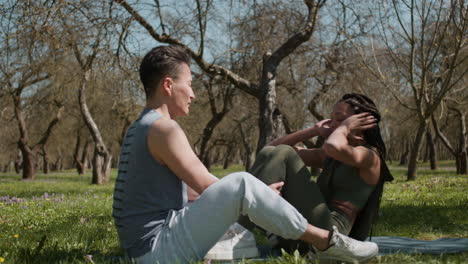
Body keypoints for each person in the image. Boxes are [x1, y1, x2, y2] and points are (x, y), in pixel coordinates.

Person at [112, 45, 379, 264]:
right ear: (168, 85)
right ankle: (327, 242)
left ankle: (253, 233)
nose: (193, 94)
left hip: (143, 248)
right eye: (190, 84)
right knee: (241, 183)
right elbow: (207, 186)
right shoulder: (164, 129)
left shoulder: (142, 126)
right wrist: (253, 199)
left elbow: (192, 191)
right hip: (157, 250)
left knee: (242, 187)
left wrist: (257, 199)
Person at [239, 93, 394, 256]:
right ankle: (241, 230)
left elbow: (333, 146)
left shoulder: (370, 157)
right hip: (308, 229)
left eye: (340, 119)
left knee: (284, 152)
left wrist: (344, 128)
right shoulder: (331, 156)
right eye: (332, 119)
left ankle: (241, 231)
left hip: (332, 238)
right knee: (271, 152)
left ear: (360, 123)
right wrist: (313, 130)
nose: (333, 124)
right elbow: (269, 150)